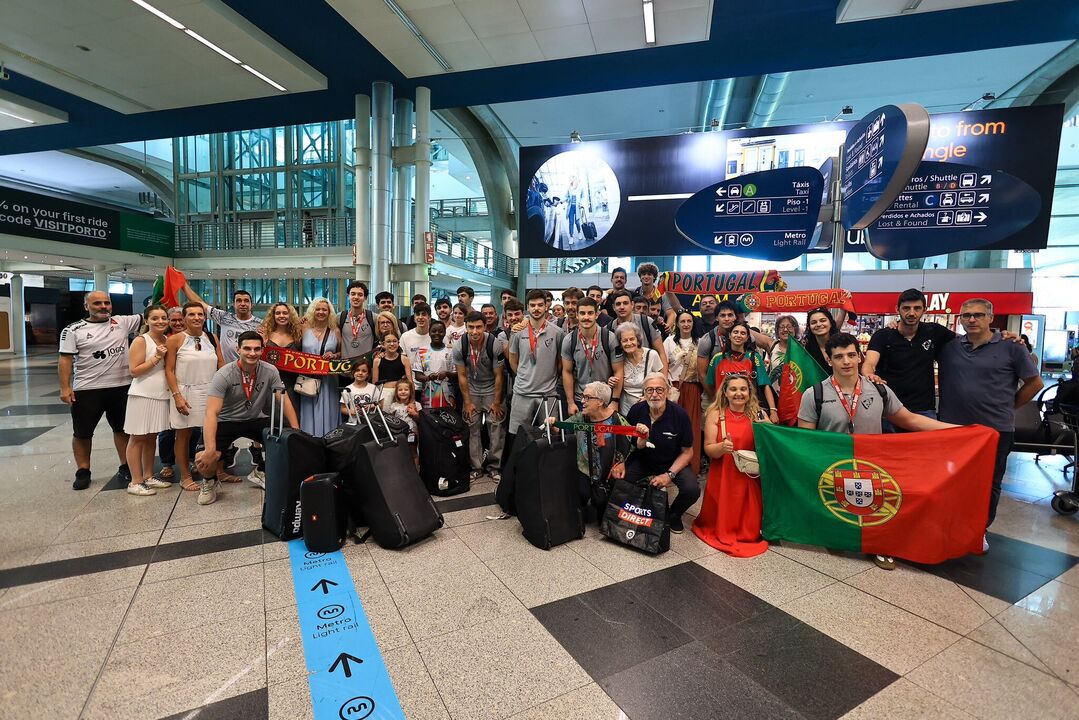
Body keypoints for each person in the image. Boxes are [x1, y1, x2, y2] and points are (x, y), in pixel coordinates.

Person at [798, 332, 957, 568]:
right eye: (839, 356)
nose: (846, 362)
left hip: (871, 464)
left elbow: (910, 420)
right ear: (829, 360)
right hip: (834, 466)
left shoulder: (879, 390)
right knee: (839, 507)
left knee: (875, 508)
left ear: (860, 357)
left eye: (851, 355)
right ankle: (838, 536)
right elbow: (806, 440)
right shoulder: (814, 394)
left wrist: (956, 430)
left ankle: (880, 546)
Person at [937, 299, 1043, 536]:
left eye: (978, 315)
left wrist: (1009, 405)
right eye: (966, 315)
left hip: (994, 430)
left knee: (988, 483)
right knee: (952, 479)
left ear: (990, 318)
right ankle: (951, 523)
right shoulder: (949, 347)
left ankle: (978, 529)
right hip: (952, 429)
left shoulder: (1012, 346)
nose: (971, 319)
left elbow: (1035, 383)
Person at [194, 331, 299, 506]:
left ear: (262, 350)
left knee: (286, 443)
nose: (252, 353)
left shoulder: (270, 370)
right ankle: (209, 481)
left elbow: (284, 399)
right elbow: (211, 413)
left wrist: (295, 430)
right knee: (203, 459)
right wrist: (210, 450)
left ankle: (261, 470)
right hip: (226, 421)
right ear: (238, 349)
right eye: (247, 348)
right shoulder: (224, 374)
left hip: (256, 419)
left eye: (257, 349)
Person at [59, 290, 142, 491]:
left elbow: (153, 311)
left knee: (122, 429)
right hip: (88, 389)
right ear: (86, 306)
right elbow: (65, 359)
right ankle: (83, 470)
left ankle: (126, 466)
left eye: (107, 303)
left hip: (121, 386)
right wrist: (65, 387)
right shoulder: (72, 330)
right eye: (97, 303)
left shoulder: (122, 322)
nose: (103, 306)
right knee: (83, 433)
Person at [694, 373, 771, 556]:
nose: (739, 393)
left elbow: (771, 446)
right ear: (725, 393)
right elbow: (708, 449)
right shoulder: (716, 414)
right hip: (724, 475)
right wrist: (721, 447)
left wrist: (767, 427)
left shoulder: (759, 414)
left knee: (750, 532)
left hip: (749, 476)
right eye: (734, 389)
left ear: (749, 392)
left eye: (743, 389)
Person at [860, 290, 957, 430]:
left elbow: (965, 339)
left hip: (924, 409)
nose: (912, 313)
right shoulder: (883, 336)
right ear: (897, 309)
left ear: (924, 309)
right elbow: (869, 363)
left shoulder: (934, 331)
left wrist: (998, 335)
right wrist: (870, 375)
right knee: (888, 451)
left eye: (917, 308)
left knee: (925, 451)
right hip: (889, 410)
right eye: (906, 308)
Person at [625, 373, 700, 533]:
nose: (654, 394)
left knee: (692, 489)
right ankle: (633, 514)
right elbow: (628, 445)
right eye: (649, 390)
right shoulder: (636, 411)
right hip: (643, 459)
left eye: (659, 390)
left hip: (671, 461)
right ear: (643, 393)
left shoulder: (680, 415)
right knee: (620, 481)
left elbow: (687, 452)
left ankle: (674, 515)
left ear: (667, 391)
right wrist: (640, 442)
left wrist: (669, 475)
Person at [547, 381, 632, 517]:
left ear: (600, 401)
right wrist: (552, 423)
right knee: (582, 495)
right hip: (584, 470)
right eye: (583, 396)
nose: (582, 401)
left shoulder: (617, 419)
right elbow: (559, 428)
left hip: (608, 473)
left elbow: (630, 444)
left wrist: (621, 463)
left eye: (587, 397)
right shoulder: (581, 417)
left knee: (602, 510)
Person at [166, 302, 225, 491]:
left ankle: (218, 471)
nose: (197, 318)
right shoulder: (176, 340)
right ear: (184, 318)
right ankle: (185, 475)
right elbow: (169, 370)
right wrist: (177, 396)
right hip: (186, 391)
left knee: (214, 432)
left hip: (211, 391)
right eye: (191, 314)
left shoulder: (211, 337)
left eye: (200, 314)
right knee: (184, 433)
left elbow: (221, 364)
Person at [122, 305, 174, 496]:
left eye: (163, 318)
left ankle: (148, 475)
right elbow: (134, 370)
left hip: (160, 394)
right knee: (137, 437)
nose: (160, 321)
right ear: (146, 321)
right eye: (155, 318)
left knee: (152, 436)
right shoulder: (141, 340)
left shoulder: (167, 339)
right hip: (142, 394)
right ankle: (135, 481)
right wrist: (156, 357)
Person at [506, 289, 566, 439]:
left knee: (551, 436)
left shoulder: (557, 333)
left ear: (546, 306)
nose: (536, 308)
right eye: (533, 305)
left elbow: (560, 363)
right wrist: (524, 375)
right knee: (518, 437)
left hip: (548, 394)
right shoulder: (517, 332)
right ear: (528, 307)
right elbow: (513, 360)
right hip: (522, 393)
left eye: (540, 305)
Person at [454, 311, 506, 479]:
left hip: (492, 388)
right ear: (466, 327)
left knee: (496, 427)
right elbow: (461, 375)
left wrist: (497, 402)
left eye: (478, 327)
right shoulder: (459, 345)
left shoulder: (494, 344)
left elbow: (499, 375)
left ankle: (494, 466)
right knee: (472, 428)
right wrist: (467, 402)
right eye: (471, 327)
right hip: (472, 389)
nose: (475, 332)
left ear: (485, 327)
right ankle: (476, 467)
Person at [562, 297, 623, 415]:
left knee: (605, 434)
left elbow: (619, 371)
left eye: (590, 313)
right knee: (581, 433)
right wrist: (570, 403)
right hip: (581, 399)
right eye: (582, 313)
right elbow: (567, 372)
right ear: (577, 315)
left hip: (605, 399)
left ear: (597, 314)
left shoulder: (609, 337)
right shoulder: (569, 340)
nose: (586, 317)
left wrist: (615, 401)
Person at [707, 321, 775, 419]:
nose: (738, 335)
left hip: (749, 411)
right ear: (729, 335)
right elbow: (710, 386)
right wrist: (717, 403)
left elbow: (765, 385)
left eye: (743, 333)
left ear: (747, 338)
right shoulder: (717, 359)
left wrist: (773, 410)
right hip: (723, 412)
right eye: (735, 332)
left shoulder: (754, 357)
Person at [156, 306, 194, 483]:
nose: (178, 323)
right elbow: (167, 369)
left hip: (192, 390)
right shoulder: (165, 340)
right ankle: (167, 463)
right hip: (170, 390)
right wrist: (176, 393)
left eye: (180, 320)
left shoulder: (198, 338)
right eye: (174, 320)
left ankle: (190, 460)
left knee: (191, 430)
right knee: (168, 430)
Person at [181, 284, 261, 364]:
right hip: (227, 369)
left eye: (246, 301)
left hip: (251, 368)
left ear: (252, 304)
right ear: (233, 304)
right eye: (239, 300)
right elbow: (200, 303)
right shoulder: (224, 317)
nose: (243, 304)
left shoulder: (261, 324)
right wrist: (183, 284)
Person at [665, 310, 704, 474]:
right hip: (674, 389)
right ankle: (671, 468)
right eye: (683, 321)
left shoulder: (701, 343)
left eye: (689, 321)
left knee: (693, 426)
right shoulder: (669, 342)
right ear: (677, 324)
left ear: (693, 323)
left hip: (693, 388)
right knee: (672, 428)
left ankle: (691, 468)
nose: (686, 324)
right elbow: (664, 365)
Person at [298, 298, 343, 436]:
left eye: (324, 309)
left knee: (329, 409)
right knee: (308, 409)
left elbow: (342, 352)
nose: (321, 312)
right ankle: (309, 441)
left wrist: (334, 355)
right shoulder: (303, 328)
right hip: (308, 379)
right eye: (318, 309)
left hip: (329, 379)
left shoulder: (335, 331)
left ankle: (329, 441)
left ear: (329, 312)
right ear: (312, 311)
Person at [609, 289, 668, 374]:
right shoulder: (609, 329)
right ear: (613, 307)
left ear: (632, 305)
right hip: (623, 377)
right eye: (618, 304)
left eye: (625, 303)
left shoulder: (647, 322)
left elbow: (661, 353)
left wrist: (664, 380)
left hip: (649, 378)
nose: (622, 307)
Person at [261, 301, 303, 417]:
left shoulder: (298, 336)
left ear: (290, 315)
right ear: (273, 316)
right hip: (270, 385)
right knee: (272, 418)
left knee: (293, 418)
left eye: (285, 313)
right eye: (278, 313)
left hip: (293, 386)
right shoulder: (265, 335)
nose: (281, 316)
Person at [617, 321, 664, 414]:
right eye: (625, 340)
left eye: (632, 339)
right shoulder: (619, 359)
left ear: (638, 340)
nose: (629, 343)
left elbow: (662, 382)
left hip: (648, 409)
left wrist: (648, 397)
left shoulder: (652, 355)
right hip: (625, 411)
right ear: (620, 343)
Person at [338, 280, 377, 383]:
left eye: (360, 294)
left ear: (365, 298)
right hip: (345, 371)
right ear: (348, 296)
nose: (356, 297)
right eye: (353, 294)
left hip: (365, 372)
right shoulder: (340, 317)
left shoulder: (373, 318)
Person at [416, 320, 455, 409]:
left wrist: (447, 374)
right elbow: (418, 375)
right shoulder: (422, 351)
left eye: (440, 331)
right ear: (429, 333)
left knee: (446, 418)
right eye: (433, 331)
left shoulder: (450, 351)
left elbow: (456, 374)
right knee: (429, 419)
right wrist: (428, 377)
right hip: (428, 393)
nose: (437, 334)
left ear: (445, 333)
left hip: (447, 392)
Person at [372, 332, 411, 409]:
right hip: (384, 393)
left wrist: (412, 400)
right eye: (388, 341)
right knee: (386, 418)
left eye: (394, 341)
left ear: (398, 343)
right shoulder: (377, 360)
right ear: (383, 344)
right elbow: (375, 384)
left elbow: (410, 381)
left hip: (401, 393)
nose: (392, 344)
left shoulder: (404, 359)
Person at [767, 315, 800, 398]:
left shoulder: (804, 347)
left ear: (795, 329)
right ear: (777, 330)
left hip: (797, 398)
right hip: (774, 398)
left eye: (789, 327)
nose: (785, 330)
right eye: (782, 327)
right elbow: (748, 331)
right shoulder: (772, 345)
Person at [400, 302, 433, 380]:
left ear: (429, 317)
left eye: (424, 314)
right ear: (414, 317)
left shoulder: (436, 336)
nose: (420, 317)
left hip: (432, 384)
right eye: (418, 314)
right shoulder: (405, 337)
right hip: (412, 383)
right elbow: (402, 361)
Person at [803, 307, 840, 375]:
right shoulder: (806, 349)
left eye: (823, 320)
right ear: (809, 327)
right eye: (813, 322)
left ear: (831, 323)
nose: (818, 324)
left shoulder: (841, 344)